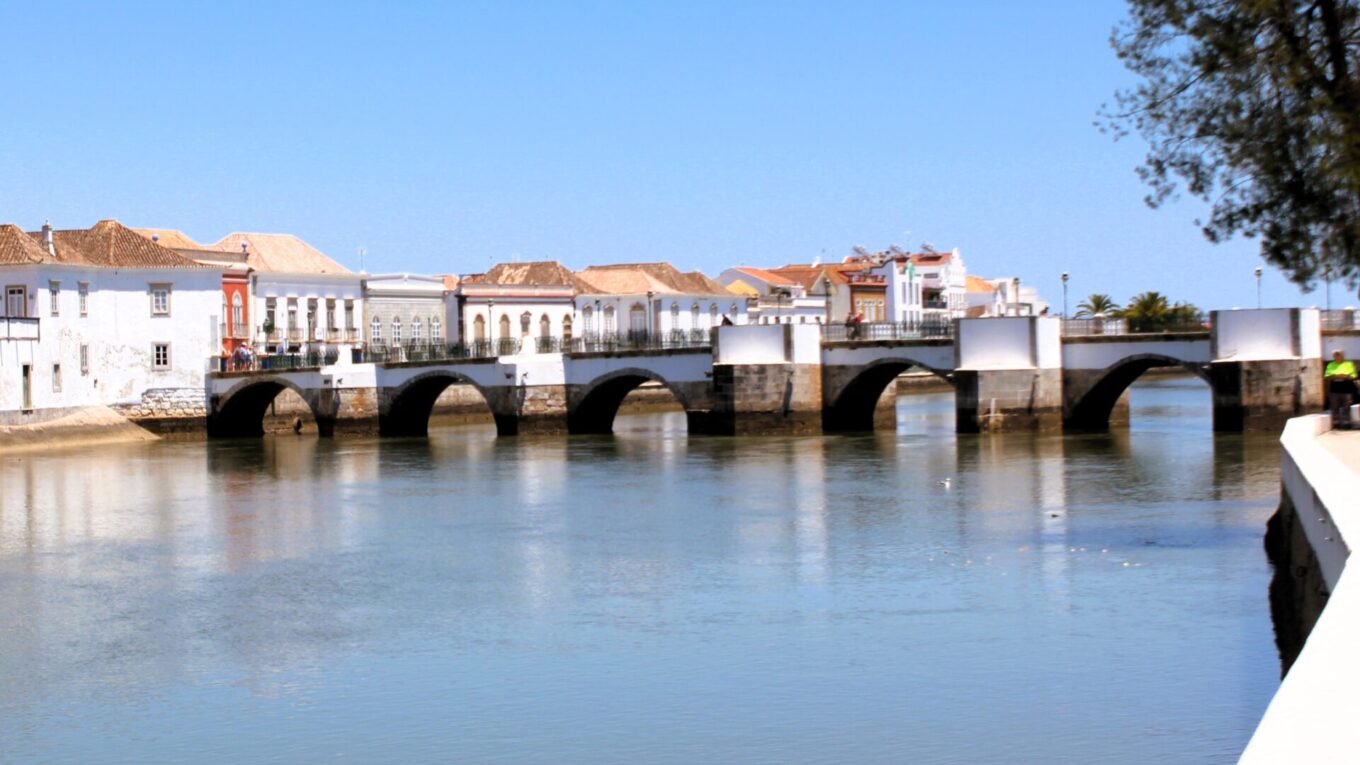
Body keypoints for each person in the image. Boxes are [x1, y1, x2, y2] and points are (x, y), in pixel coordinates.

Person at [1324, 349, 1357, 428]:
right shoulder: (1330, 365)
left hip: (1347, 388)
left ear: (1342, 356)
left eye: (1339, 355)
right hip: (1335, 389)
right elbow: (1326, 376)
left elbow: (1354, 375)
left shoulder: (1349, 364)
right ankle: (1336, 423)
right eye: (1336, 355)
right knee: (1334, 406)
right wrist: (1335, 376)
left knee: (1346, 406)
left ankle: (1346, 423)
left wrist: (1345, 376)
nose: (1337, 357)